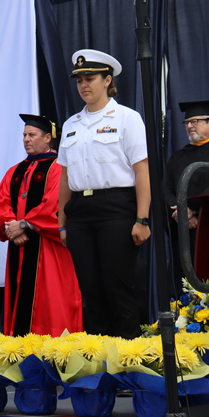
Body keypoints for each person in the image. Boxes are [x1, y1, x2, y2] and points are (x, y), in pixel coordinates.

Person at [58, 49, 151, 339]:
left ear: (107, 80)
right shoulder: (71, 124)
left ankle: (128, 366)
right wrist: (62, 222)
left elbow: (142, 171)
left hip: (117, 208)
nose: (84, 85)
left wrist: (142, 218)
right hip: (81, 212)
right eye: (79, 80)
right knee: (90, 292)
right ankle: (99, 367)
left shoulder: (127, 118)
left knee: (118, 289)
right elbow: (64, 177)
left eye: (90, 78)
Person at [0, 114, 82, 336]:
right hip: (19, 248)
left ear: (48, 138)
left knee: (50, 300)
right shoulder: (15, 171)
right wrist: (11, 227)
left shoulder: (58, 168)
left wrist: (24, 224)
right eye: (24, 135)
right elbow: (1, 202)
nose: (26, 140)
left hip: (48, 249)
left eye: (32, 135)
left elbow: (55, 204)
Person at [163, 100, 209, 287]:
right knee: (183, 280)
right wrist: (181, 212)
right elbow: (166, 188)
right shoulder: (179, 156)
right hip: (182, 230)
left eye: (195, 121)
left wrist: (194, 211)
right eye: (187, 123)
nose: (190, 126)